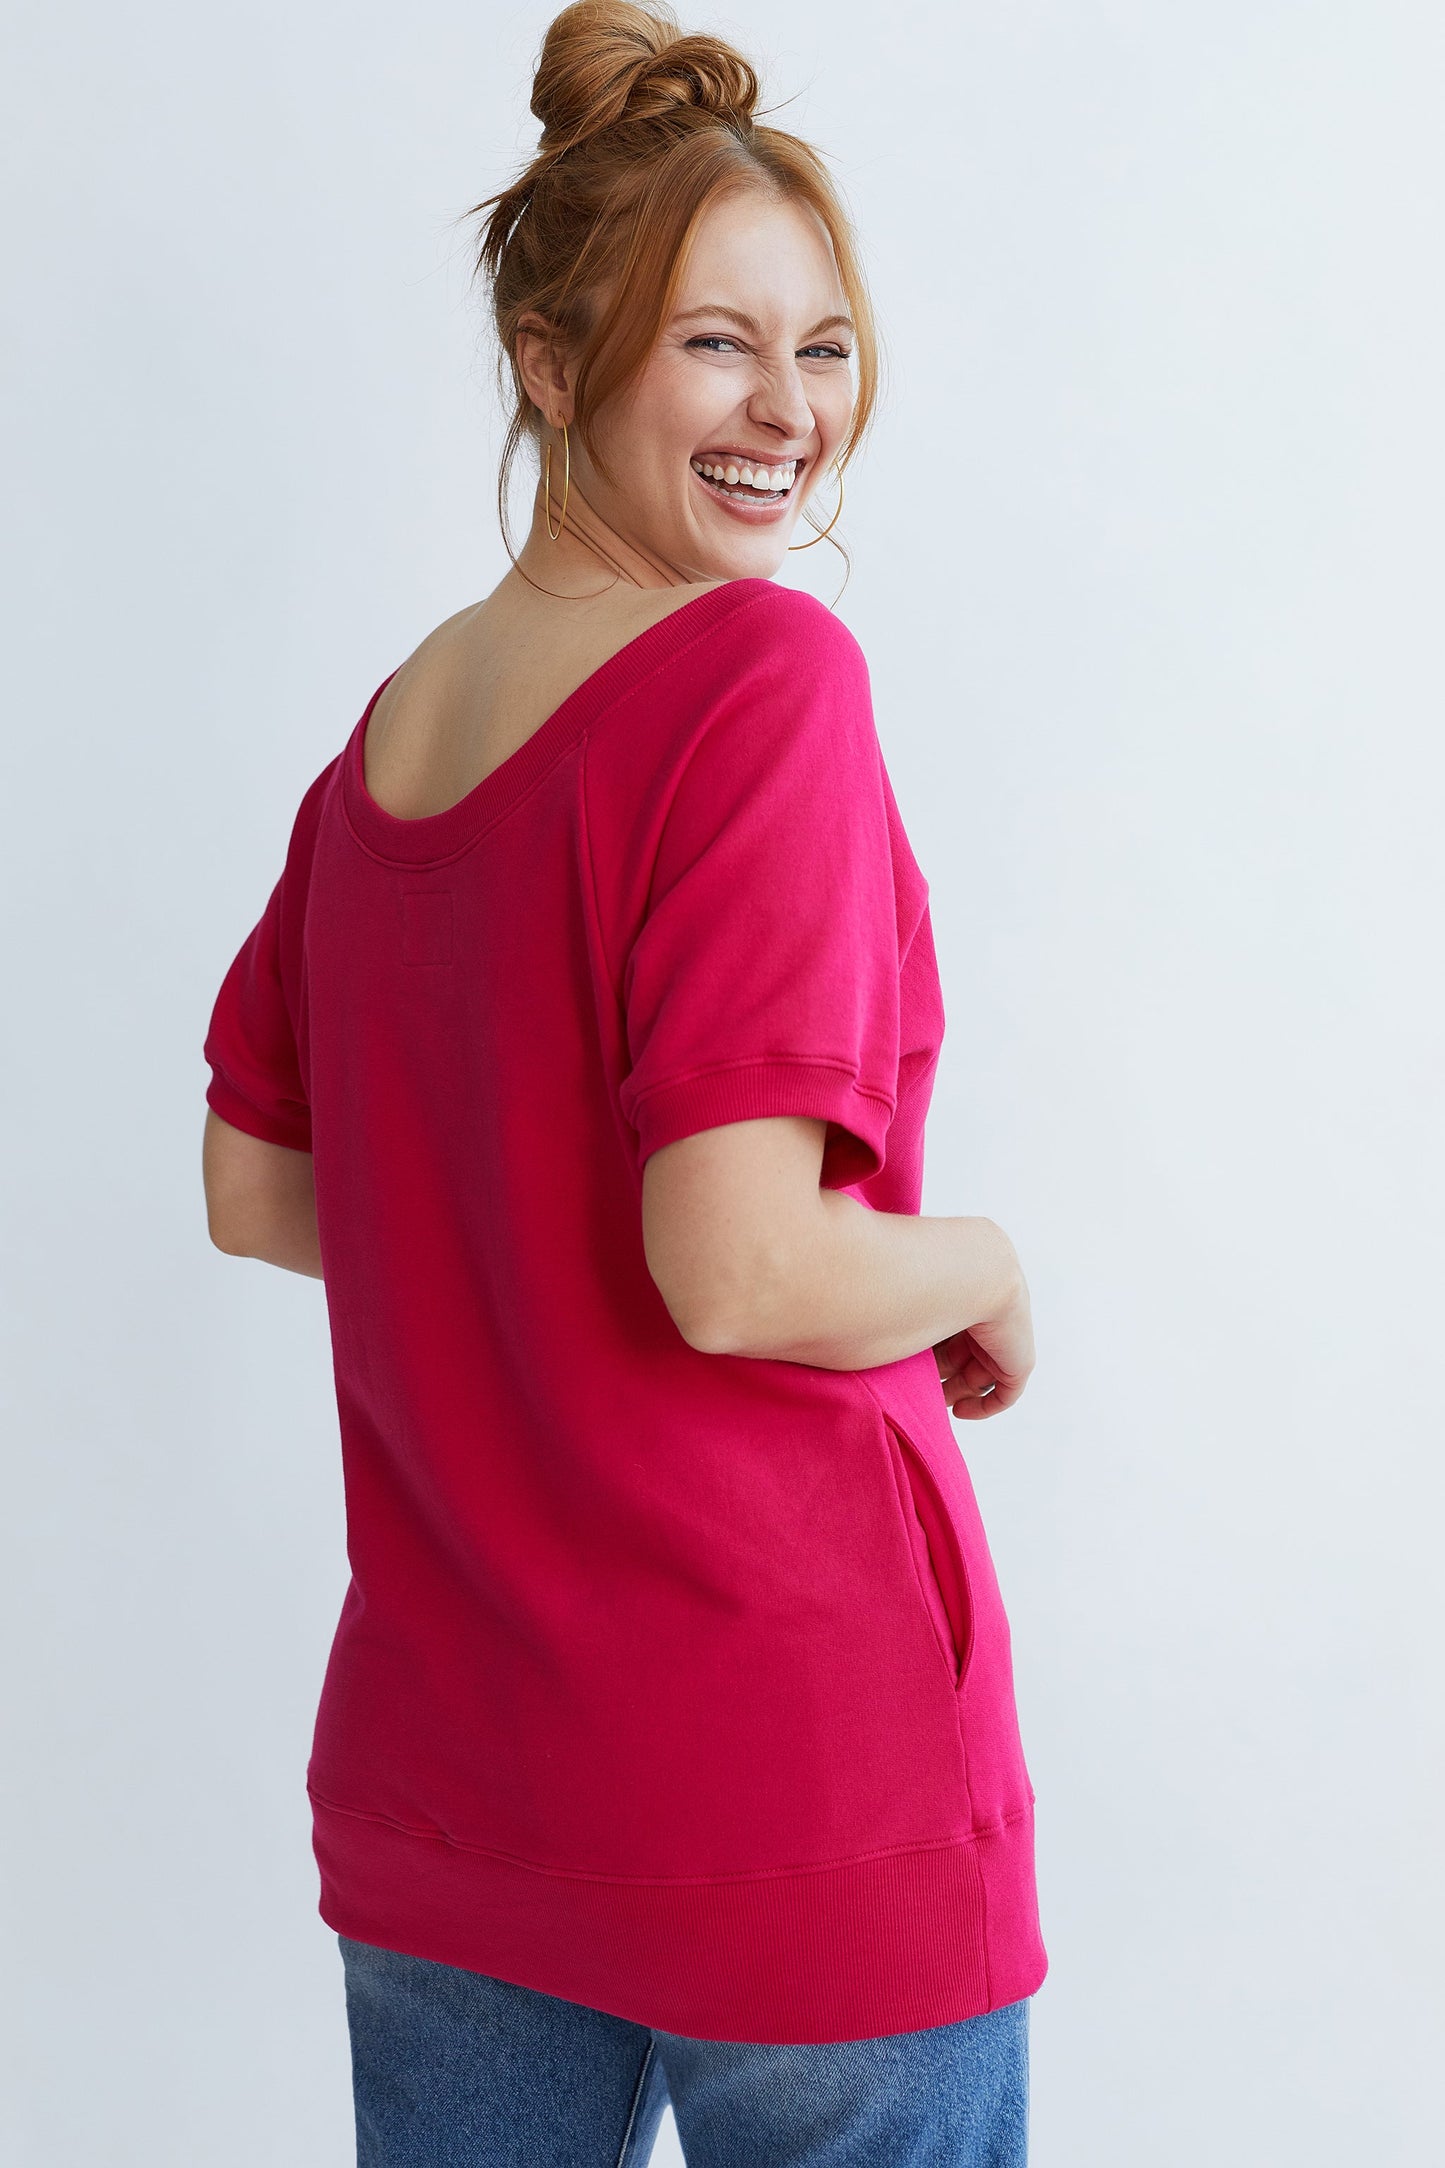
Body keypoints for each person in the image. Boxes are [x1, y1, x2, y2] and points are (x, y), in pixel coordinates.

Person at [199, 2, 1046, 2159]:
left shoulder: (390, 738)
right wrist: (981, 1262)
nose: (791, 413)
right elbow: (745, 1270)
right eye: (716, 348)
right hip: (785, 1784)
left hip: (456, 1788)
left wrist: (493, 1241)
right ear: (552, 363)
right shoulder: (761, 679)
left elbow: (260, 1181)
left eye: (825, 346)